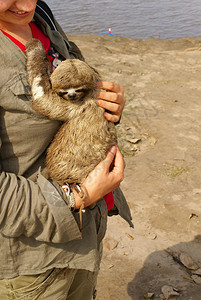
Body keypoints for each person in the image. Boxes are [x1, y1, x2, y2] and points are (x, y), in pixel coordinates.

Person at [0, 0, 133, 299]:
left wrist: (106, 105)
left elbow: (79, 89)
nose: (23, 4)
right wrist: (77, 196)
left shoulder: (41, 15)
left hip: (86, 235)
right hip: (33, 258)